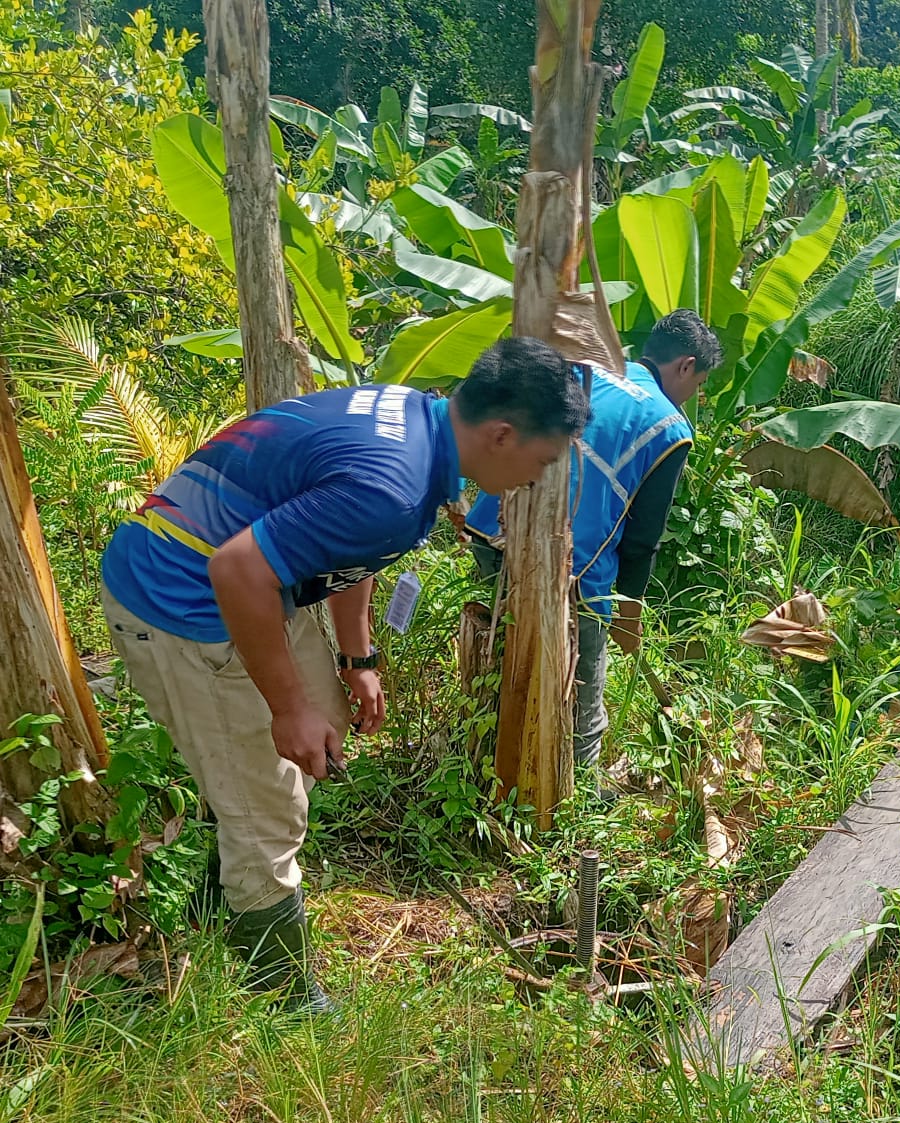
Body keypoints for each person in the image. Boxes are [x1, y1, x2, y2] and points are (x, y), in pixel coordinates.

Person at [99, 338, 588, 1011]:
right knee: (269, 804)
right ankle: (282, 996)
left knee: (318, 725)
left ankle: (226, 878)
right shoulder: (392, 487)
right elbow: (236, 571)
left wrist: (358, 660)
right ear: (502, 435)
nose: (538, 478)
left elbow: (347, 549)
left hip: (246, 579)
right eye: (543, 461)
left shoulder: (415, 421)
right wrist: (284, 709)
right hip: (183, 598)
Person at [466, 309, 722, 768]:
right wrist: (629, 612)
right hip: (574, 570)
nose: (694, 395)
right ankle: (580, 791)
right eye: (699, 383)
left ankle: (485, 762)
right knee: (583, 696)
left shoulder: (591, 367)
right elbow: (643, 536)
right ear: (686, 366)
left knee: (503, 658)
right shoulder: (669, 426)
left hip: (495, 529)